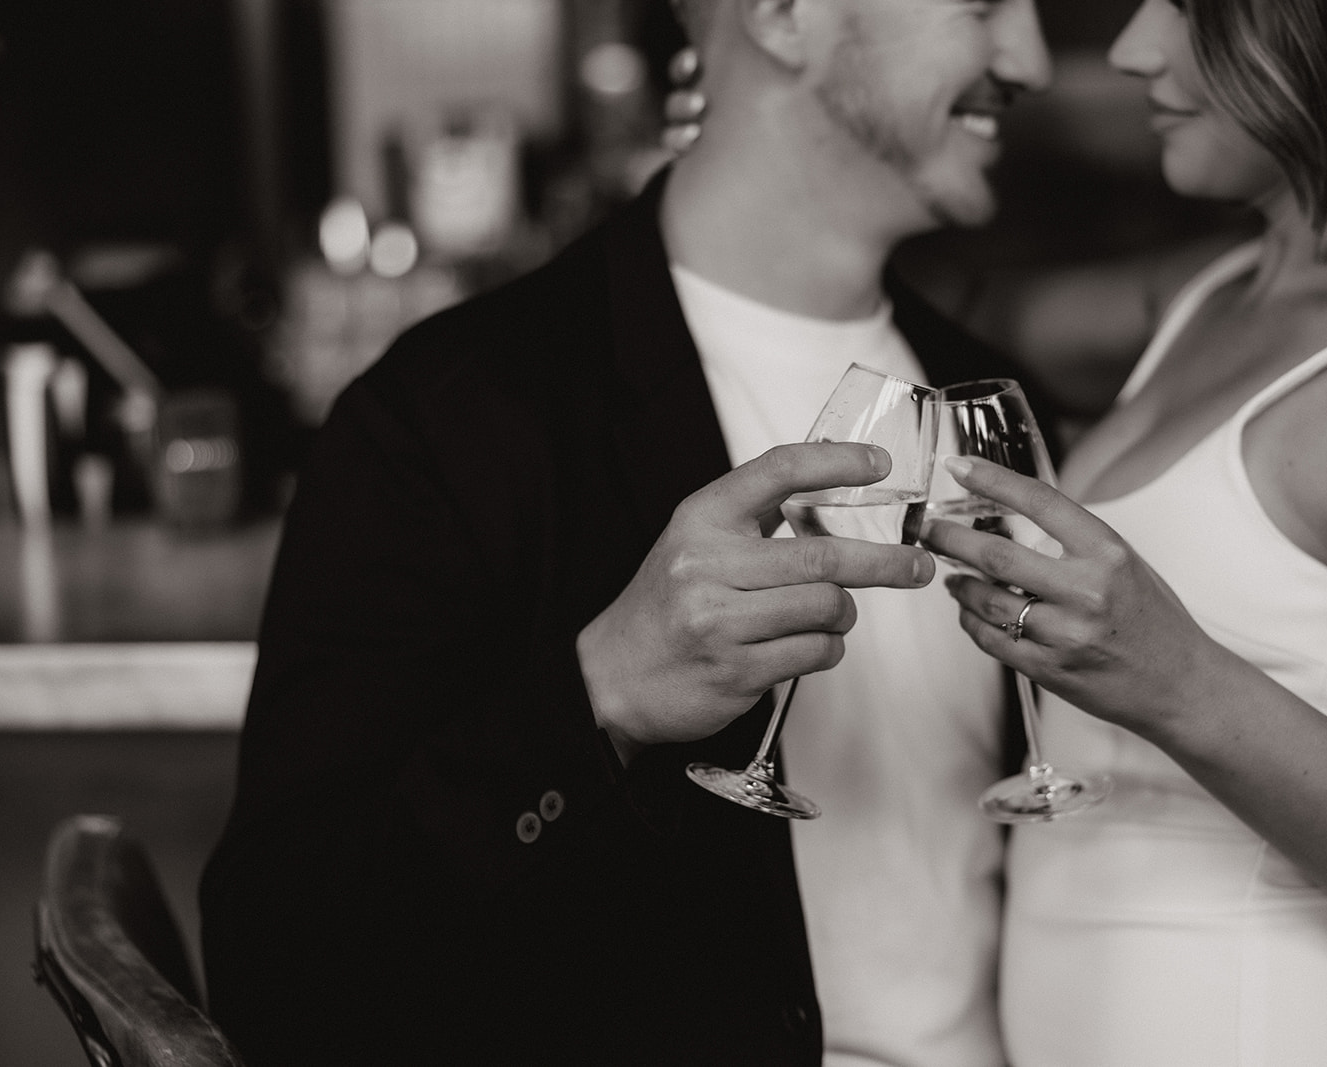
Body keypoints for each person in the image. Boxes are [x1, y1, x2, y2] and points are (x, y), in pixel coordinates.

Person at [198, 1, 1054, 1065]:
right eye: (982, 7)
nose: (1031, 57)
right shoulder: (450, 418)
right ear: (784, 15)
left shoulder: (1002, 411)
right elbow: (279, 968)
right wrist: (595, 696)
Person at [924, 1, 1327, 1064]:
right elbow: (961, 313)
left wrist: (1176, 677)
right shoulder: (1215, 294)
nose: (1137, 49)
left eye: (1187, 11)